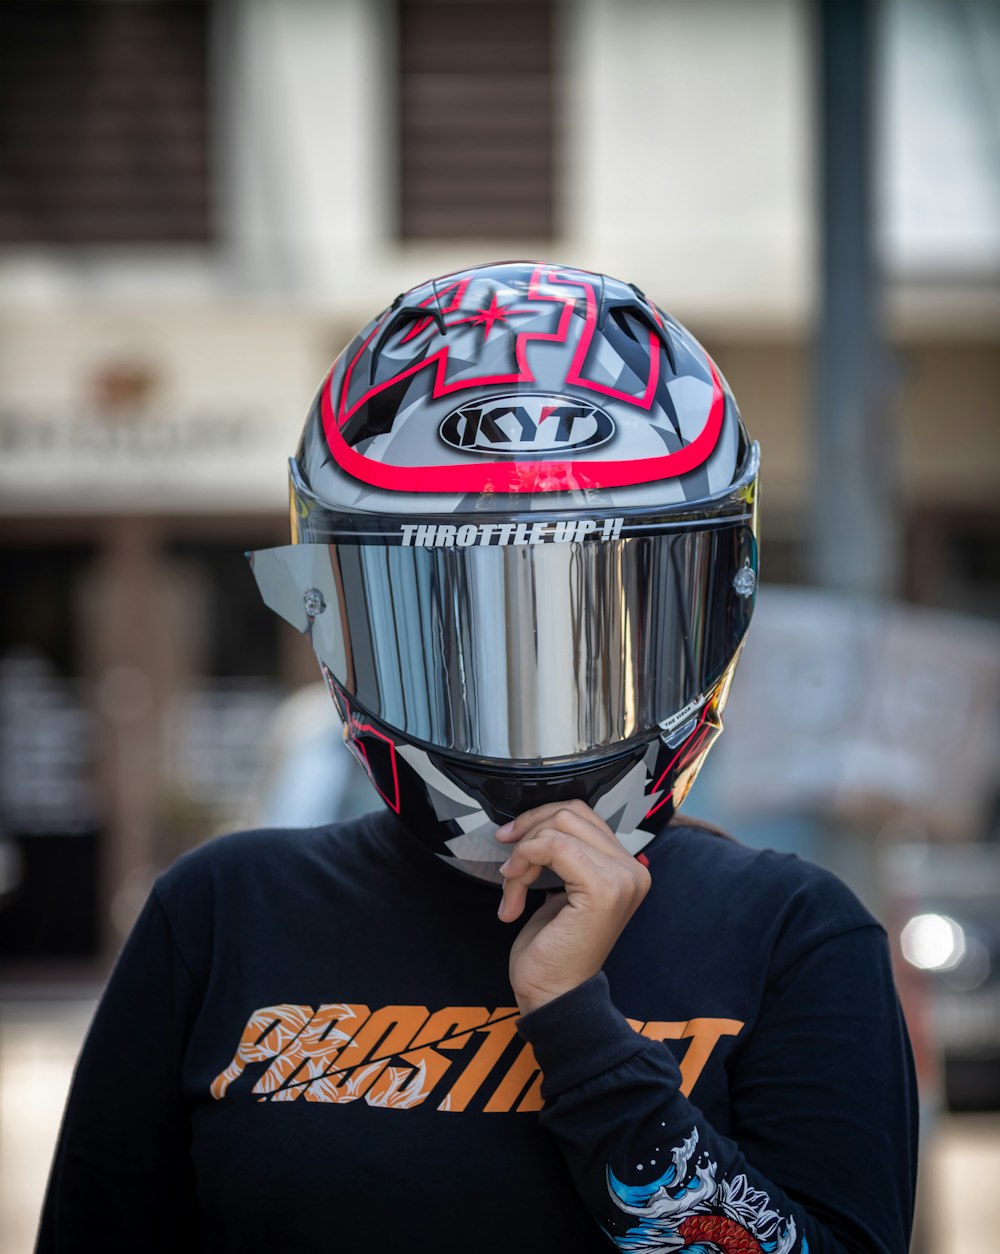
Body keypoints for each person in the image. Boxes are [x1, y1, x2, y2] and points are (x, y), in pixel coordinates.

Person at [37, 262, 917, 1253]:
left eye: (602, 640)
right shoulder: (224, 914)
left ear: (723, 600)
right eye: (449, 639)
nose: (531, 709)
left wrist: (578, 1028)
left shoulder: (788, 936)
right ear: (334, 619)